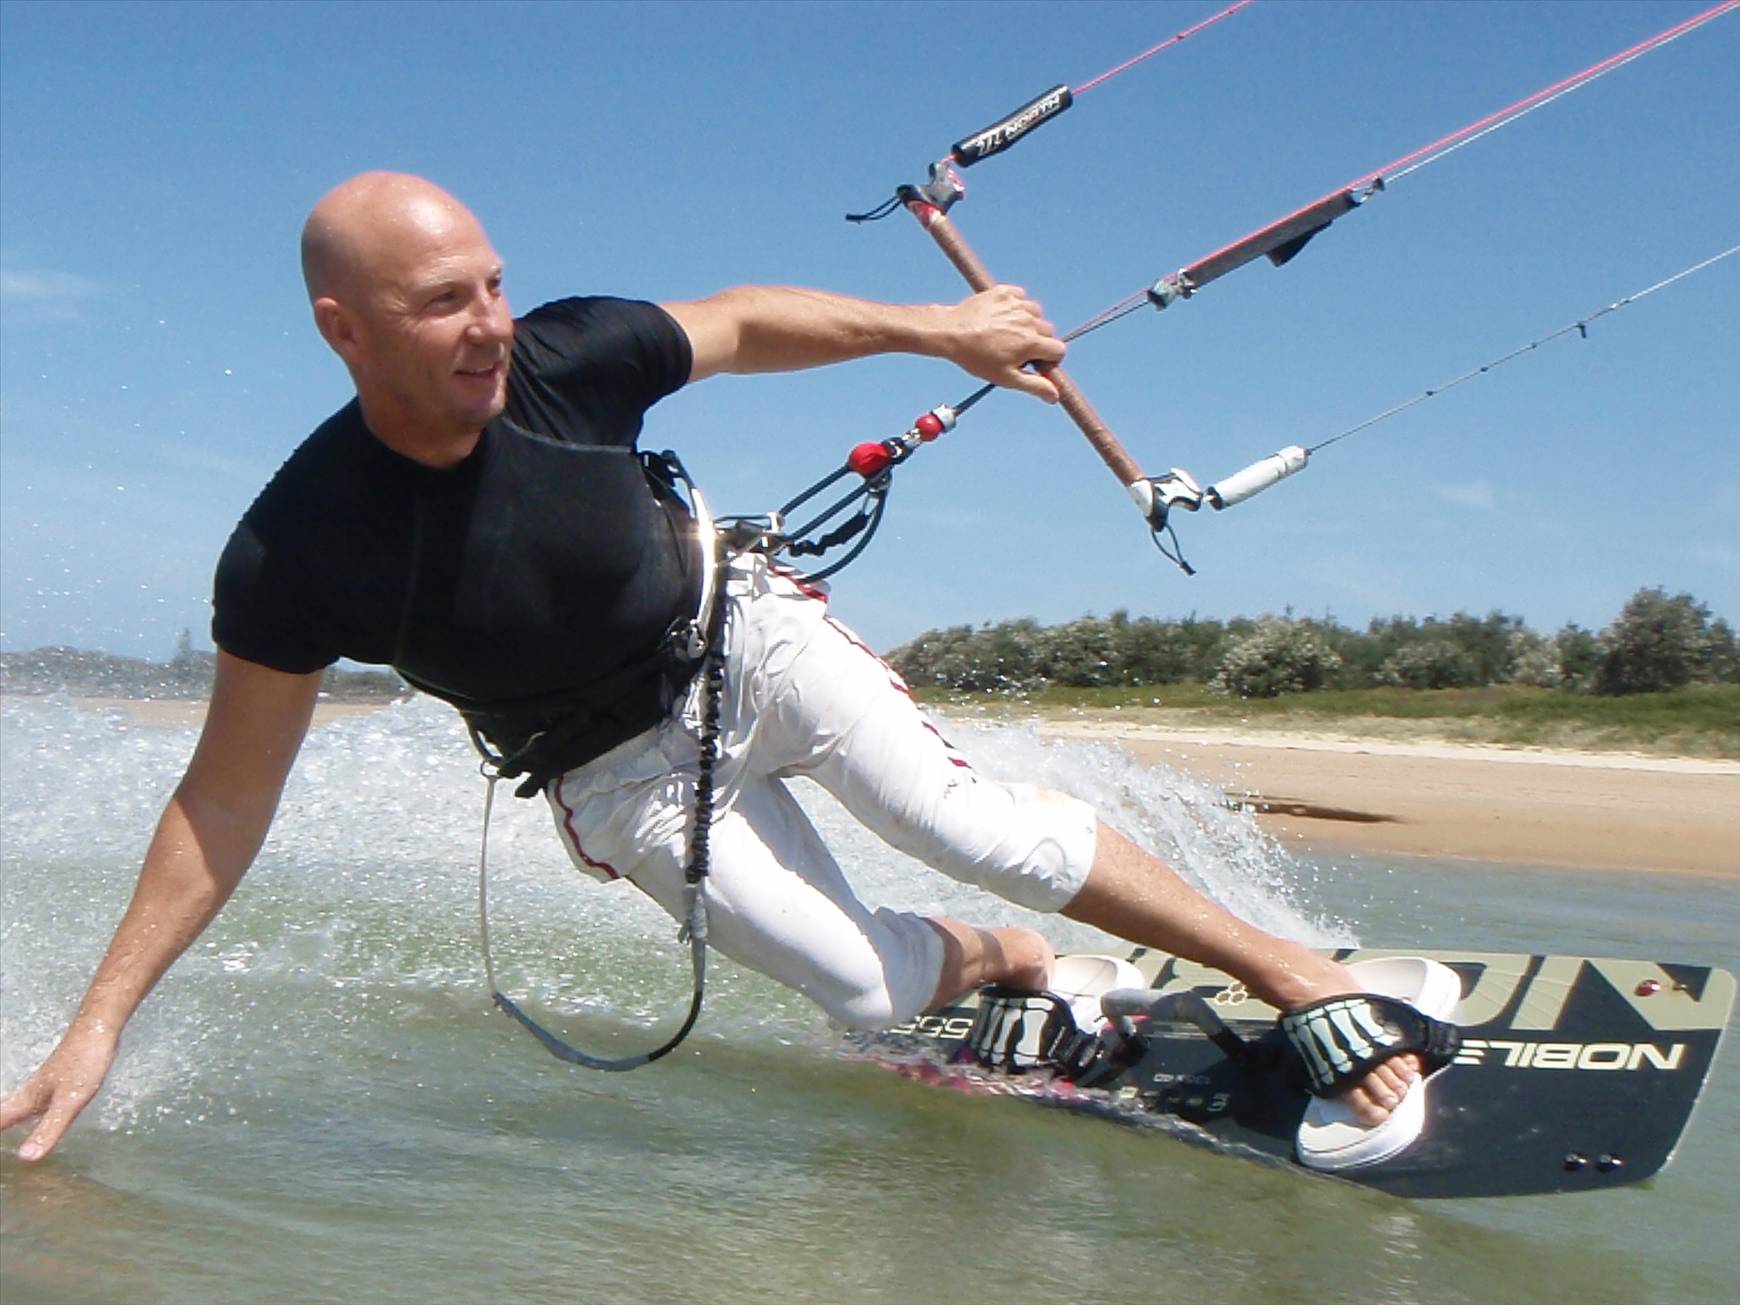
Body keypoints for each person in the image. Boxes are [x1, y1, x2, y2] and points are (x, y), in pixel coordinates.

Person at [1, 173, 1424, 1163]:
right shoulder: (296, 548)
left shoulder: (564, 357)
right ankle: (1028, 963)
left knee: (964, 822)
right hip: (608, 769)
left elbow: (740, 321)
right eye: (445, 304)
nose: (492, 323)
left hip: (745, 636)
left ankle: (1286, 970)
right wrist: (99, 1022)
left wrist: (940, 330)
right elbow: (221, 802)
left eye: (493, 282)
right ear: (345, 329)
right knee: (861, 994)